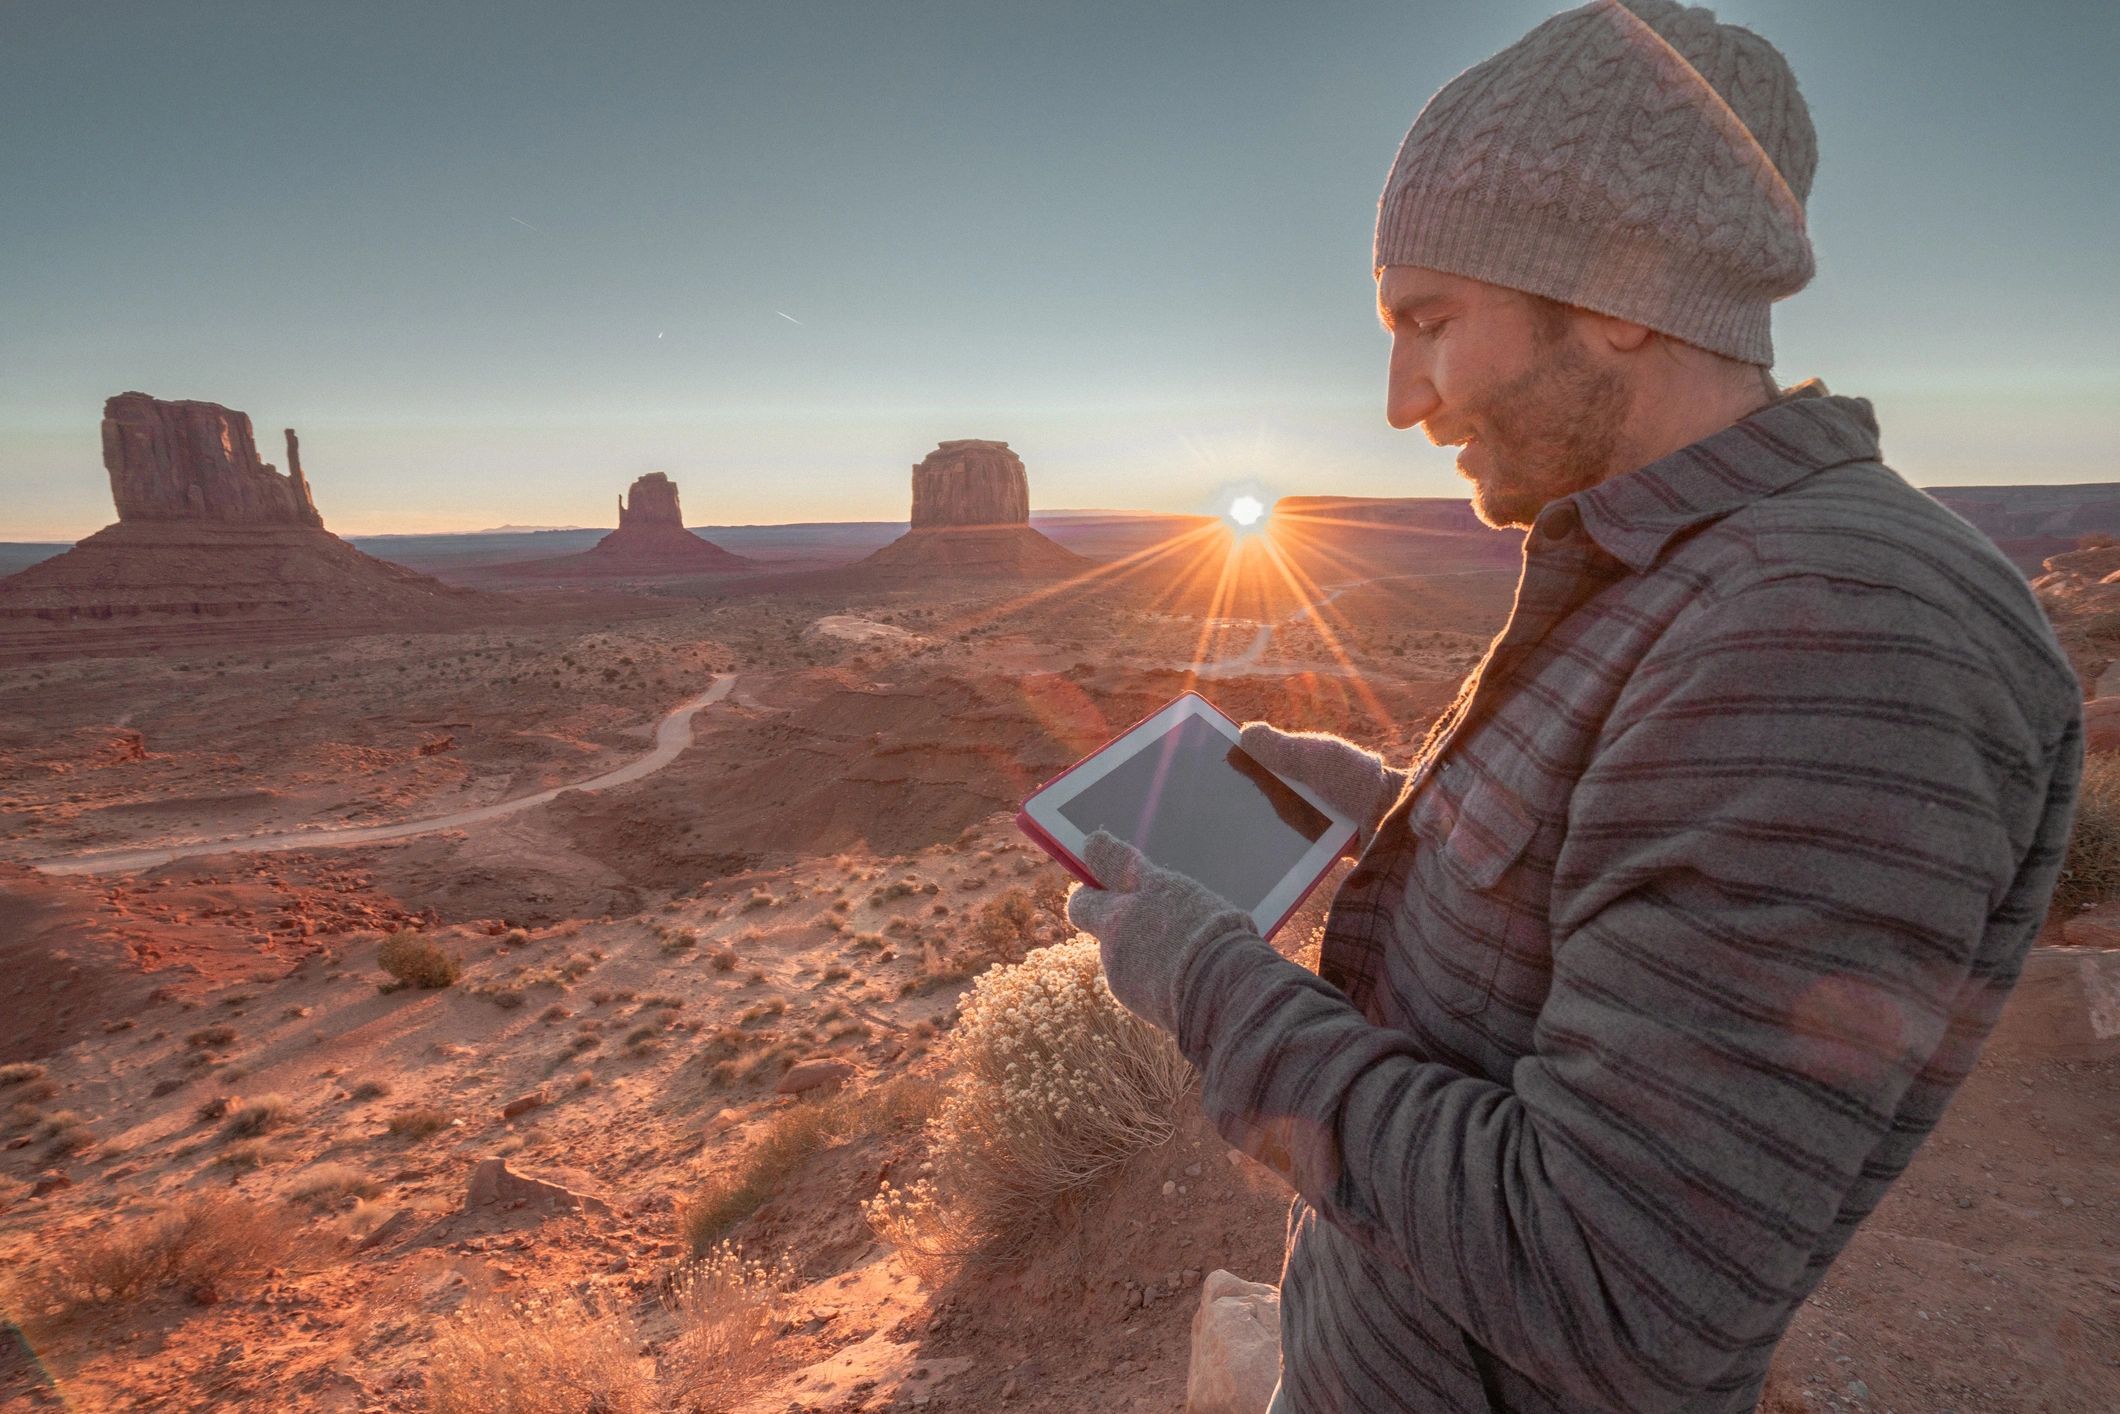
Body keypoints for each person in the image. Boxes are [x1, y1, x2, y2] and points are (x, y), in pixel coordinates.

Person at [1062, 2, 2085, 1410]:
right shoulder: (1679, 561)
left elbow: (1606, 1281)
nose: (1398, 398)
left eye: (1429, 322)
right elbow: (1598, 911)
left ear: (1617, 289)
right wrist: (1395, 825)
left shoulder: (1835, 633)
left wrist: (1203, 978)